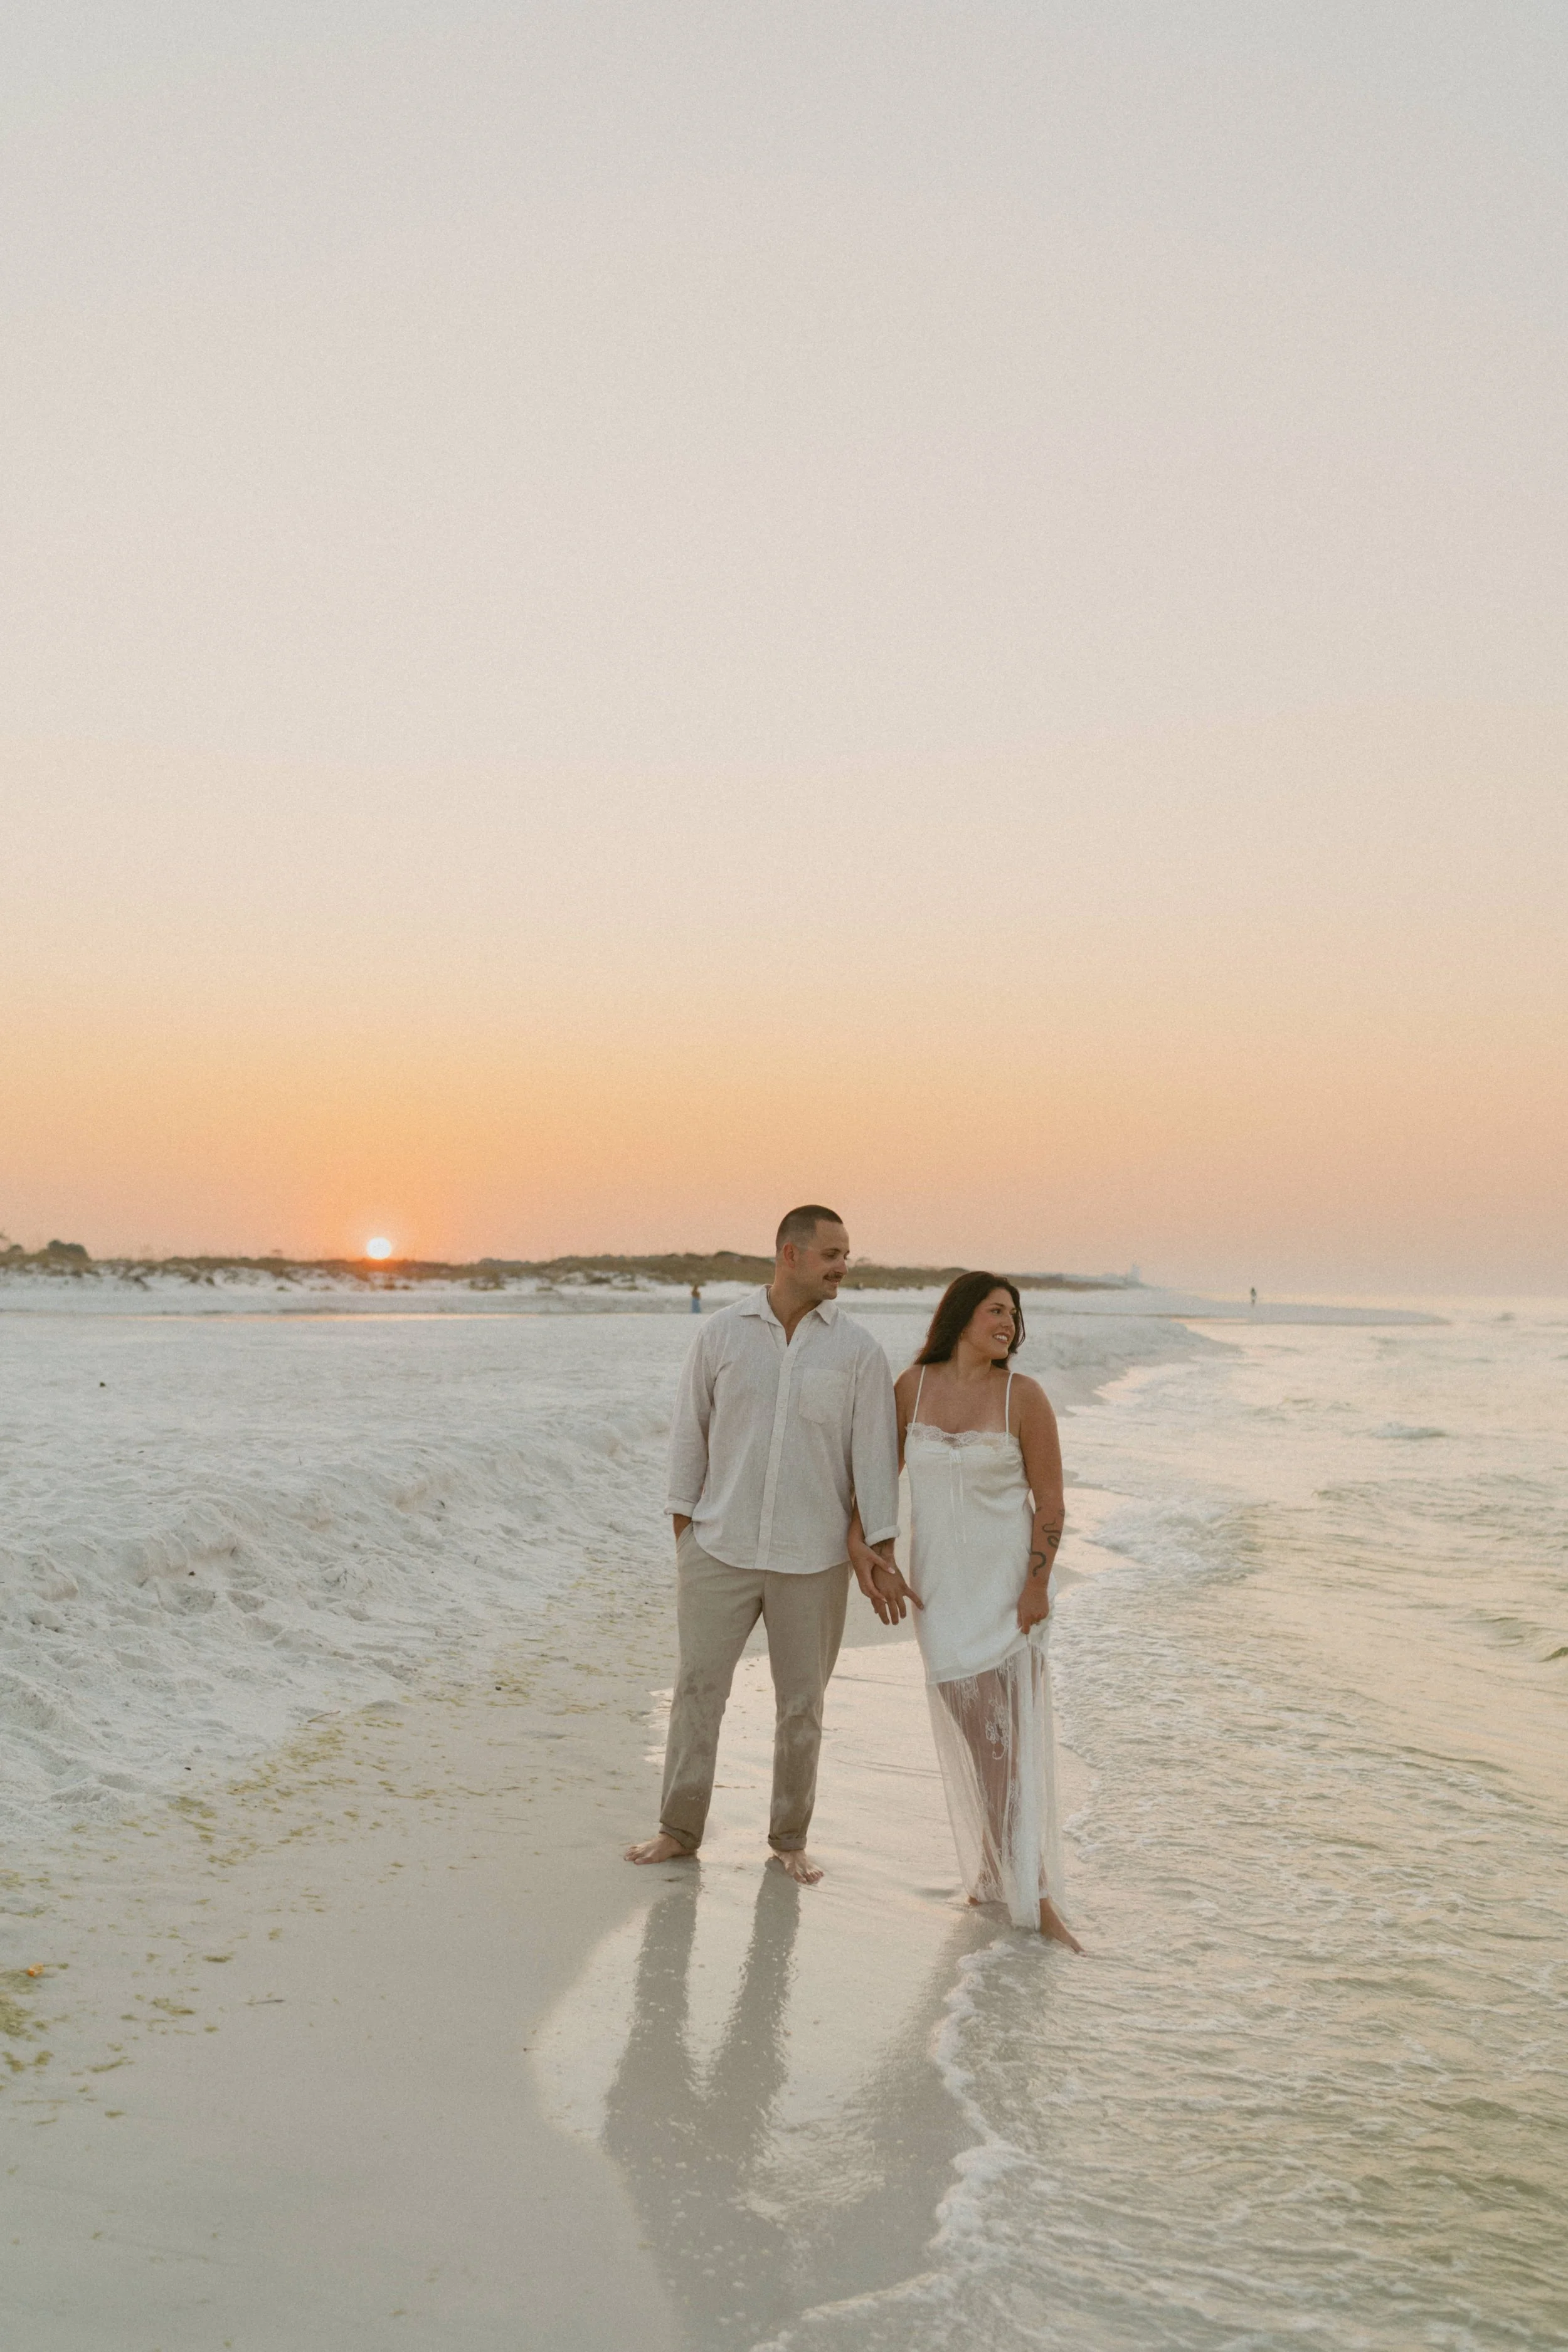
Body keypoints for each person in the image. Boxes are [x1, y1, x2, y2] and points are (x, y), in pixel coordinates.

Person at [625, 1206, 906, 1883]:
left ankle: (788, 1839)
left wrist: (880, 1548)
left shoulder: (859, 1351)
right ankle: (678, 1829)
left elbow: (872, 1459)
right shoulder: (722, 1335)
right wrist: (685, 1532)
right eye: (832, 1253)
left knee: (801, 1705)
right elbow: (689, 1435)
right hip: (718, 1549)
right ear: (791, 1254)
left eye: (847, 1254)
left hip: (813, 1560)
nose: (843, 1266)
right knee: (697, 1691)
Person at [852, 1271, 1081, 1948]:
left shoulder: (1024, 1396)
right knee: (981, 1741)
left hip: (1010, 1593)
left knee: (1008, 1748)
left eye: (1014, 1313)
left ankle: (1031, 1892)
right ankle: (996, 1869)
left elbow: (1052, 1503)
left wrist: (1036, 1589)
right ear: (960, 1316)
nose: (1008, 1322)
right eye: (994, 1310)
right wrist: (876, 1557)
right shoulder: (911, 1388)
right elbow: (870, 1484)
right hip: (943, 1596)